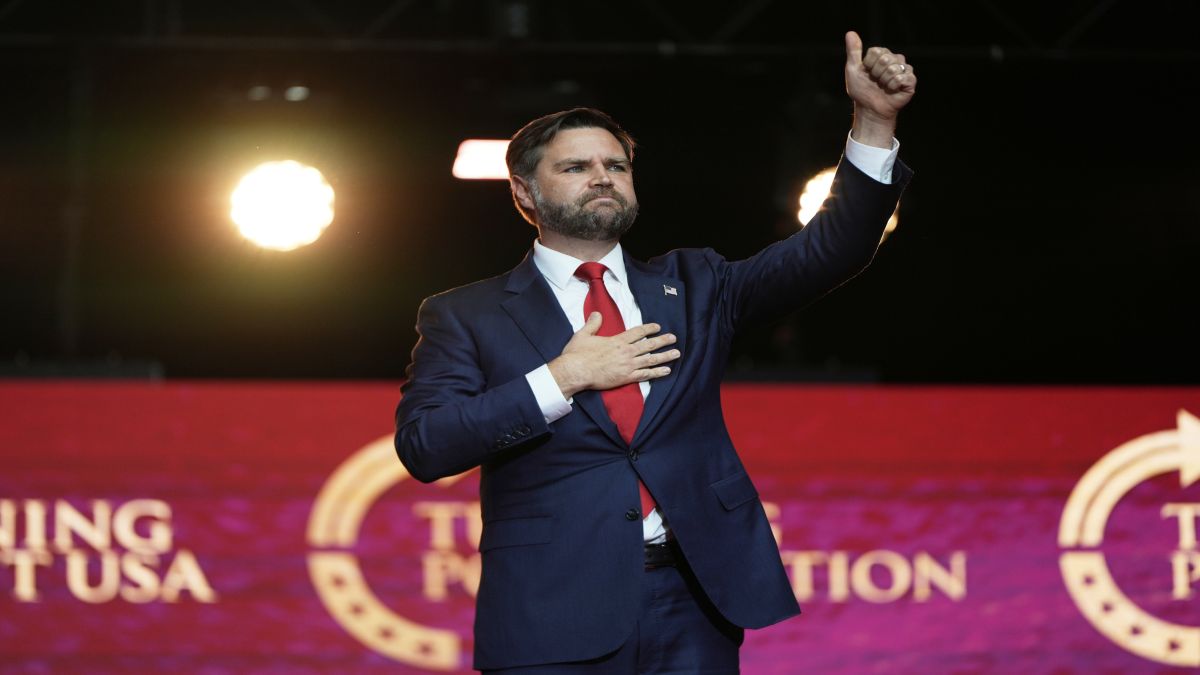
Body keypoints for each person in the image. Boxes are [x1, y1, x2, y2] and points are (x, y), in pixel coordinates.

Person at [396, 31, 916, 674]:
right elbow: (426, 445)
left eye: (616, 165)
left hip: (693, 599)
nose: (602, 178)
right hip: (551, 608)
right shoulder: (464, 314)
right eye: (576, 167)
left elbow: (831, 248)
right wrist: (561, 379)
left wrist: (872, 120)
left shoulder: (697, 285)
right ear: (525, 194)